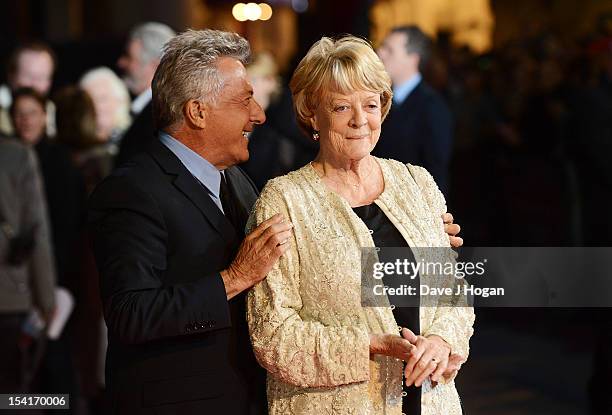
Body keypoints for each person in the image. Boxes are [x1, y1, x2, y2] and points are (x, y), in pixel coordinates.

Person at [89, 29, 464, 414]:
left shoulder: (236, 180)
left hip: (418, 400)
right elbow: (130, 314)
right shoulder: (139, 190)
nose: (260, 115)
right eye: (244, 100)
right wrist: (235, 278)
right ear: (198, 111)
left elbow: (451, 291)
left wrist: (438, 311)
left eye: (370, 105)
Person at [246, 35, 474, 414]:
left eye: (370, 104)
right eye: (341, 107)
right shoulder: (283, 200)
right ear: (311, 112)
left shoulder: (416, 183)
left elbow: (452, 290)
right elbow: (273, 335)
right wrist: (370, 345)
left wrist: (441, 340)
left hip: (432, 402)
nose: (359, 120)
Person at [0, 139, 56, 392]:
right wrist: (46, 299)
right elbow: (37, 232)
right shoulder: (16, 156)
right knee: (13, 396)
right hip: (11, 293)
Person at [375, 25, 453, 195]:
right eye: (382, 47)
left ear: (413, 58)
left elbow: (435, 173)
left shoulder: (432, 107)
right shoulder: (378, 99)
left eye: (390, 50)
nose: (380, 53)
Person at [114, 22, 176, 166]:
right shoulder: (149, 111)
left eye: (129, 57)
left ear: (155, 66)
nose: (121, 63)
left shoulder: (160, 117)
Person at [0, 42, 57, 137]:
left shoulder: (52, 112)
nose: (34, 84)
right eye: (28, 76)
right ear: (11, 76)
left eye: (41, 77)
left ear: (49, 82)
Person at [80, 66, 132, 147]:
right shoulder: (76, 144)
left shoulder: (131, 140)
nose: (95, 106)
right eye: (89, 100)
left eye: (102, 99)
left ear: (120, 100)